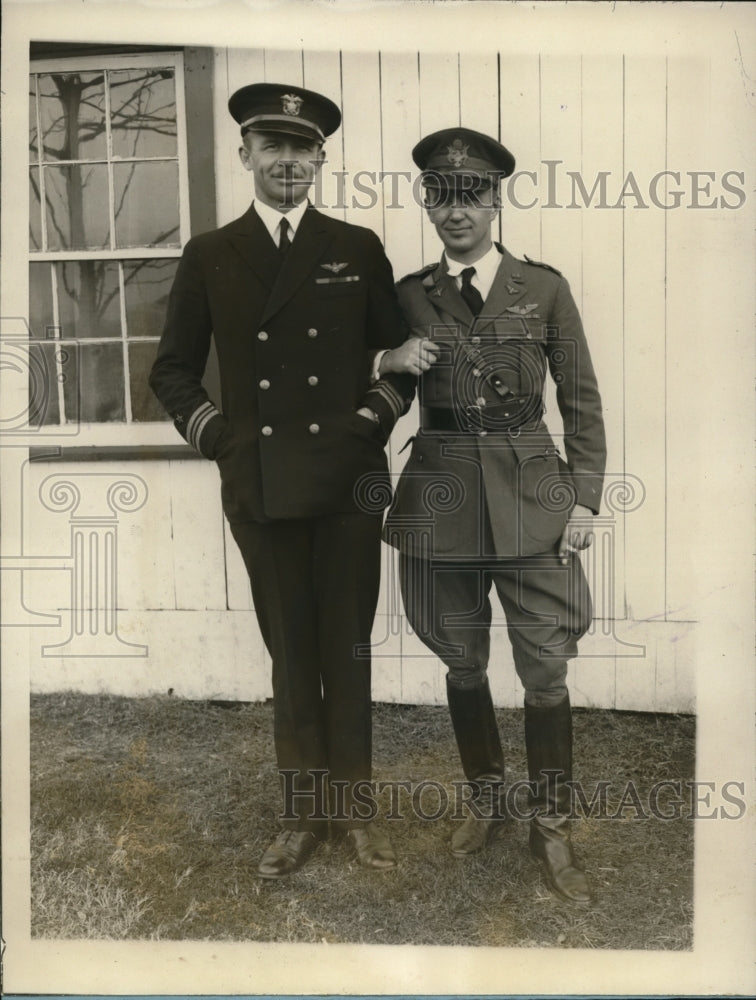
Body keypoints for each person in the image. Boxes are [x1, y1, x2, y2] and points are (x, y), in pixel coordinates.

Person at [150, 83, 414, 878]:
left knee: (349, 649)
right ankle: (304, 815)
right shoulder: (209, 254)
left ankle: (355, 815)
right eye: (273, 148)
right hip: (260, 484)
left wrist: (370, 423)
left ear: (320, 159)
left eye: (303, 149)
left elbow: (404, 362)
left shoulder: (357, 246)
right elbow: (171, 371)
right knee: (292, 654)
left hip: (348, 485)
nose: (288, 162)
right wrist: (223, 440)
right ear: (246, 157)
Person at [382, 127, 607, 904]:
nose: (456, 212)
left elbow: (580, 397)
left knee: (545, 668)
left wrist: (583, 499)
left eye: (470, 195)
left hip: (533, 498)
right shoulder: (408, 294)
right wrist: (381, 361)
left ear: (494, 200)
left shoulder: (541, 288)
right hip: (440, 498)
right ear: (425, 201)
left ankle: (553, 828)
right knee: (461, 660)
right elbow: (388, 380)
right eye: (440, 196)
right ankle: (488, 801)